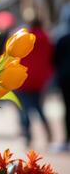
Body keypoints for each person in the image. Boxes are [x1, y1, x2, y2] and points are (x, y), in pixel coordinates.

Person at [16, 18, 54, 147]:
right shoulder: (47, 38)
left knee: (24, 108)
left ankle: (27, 135)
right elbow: (51, 57)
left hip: (23, 77)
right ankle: (48, 133)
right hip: (40, 79)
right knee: (38, 107)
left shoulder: (25, 37)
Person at [54, 6, 70, 150]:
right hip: (65, 77)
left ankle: (67, 139)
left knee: (67, 108)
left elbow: (55, 58)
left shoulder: (62, 37)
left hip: (65, 78)